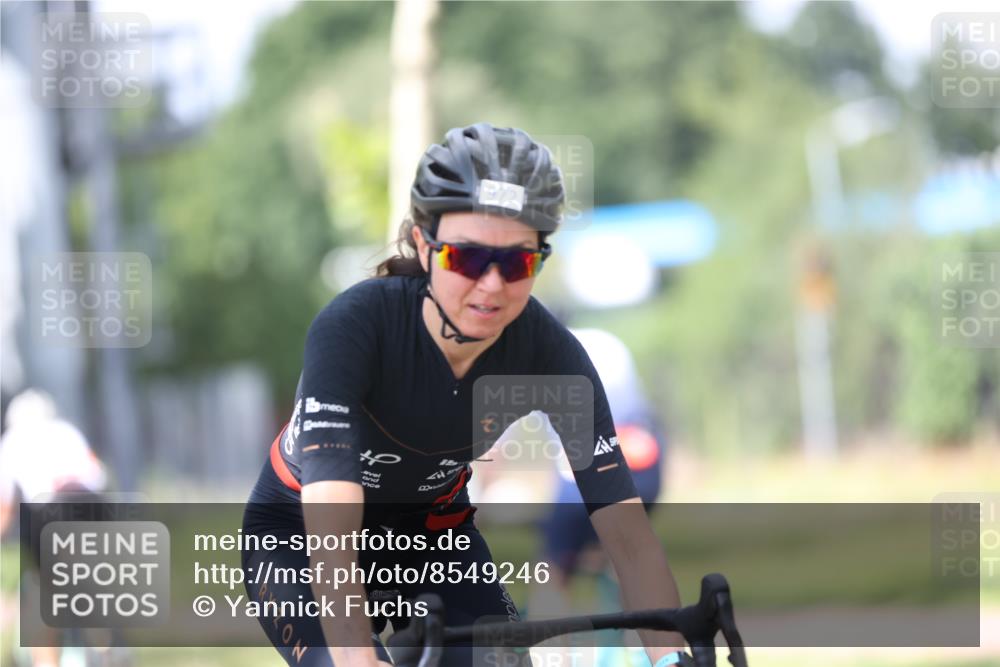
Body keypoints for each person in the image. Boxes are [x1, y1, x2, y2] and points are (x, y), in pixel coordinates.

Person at [241, 123, 691, 667]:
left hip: (435, 543)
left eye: (518, 262)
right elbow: (331, 516)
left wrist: (672, 658)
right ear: (421, 244)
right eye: (469, 259)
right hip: (298, 535)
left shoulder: (551, 357)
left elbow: (627, 537)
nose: (493, 285)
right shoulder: (354, 327)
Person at [0, 388, 108, 667]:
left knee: (43, 592)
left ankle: (46, 660)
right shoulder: (67, 431)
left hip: (52, 515)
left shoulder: (12, 441)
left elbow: (6, 504)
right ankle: (107, 649)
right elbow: (97, 474)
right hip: (93, 509)